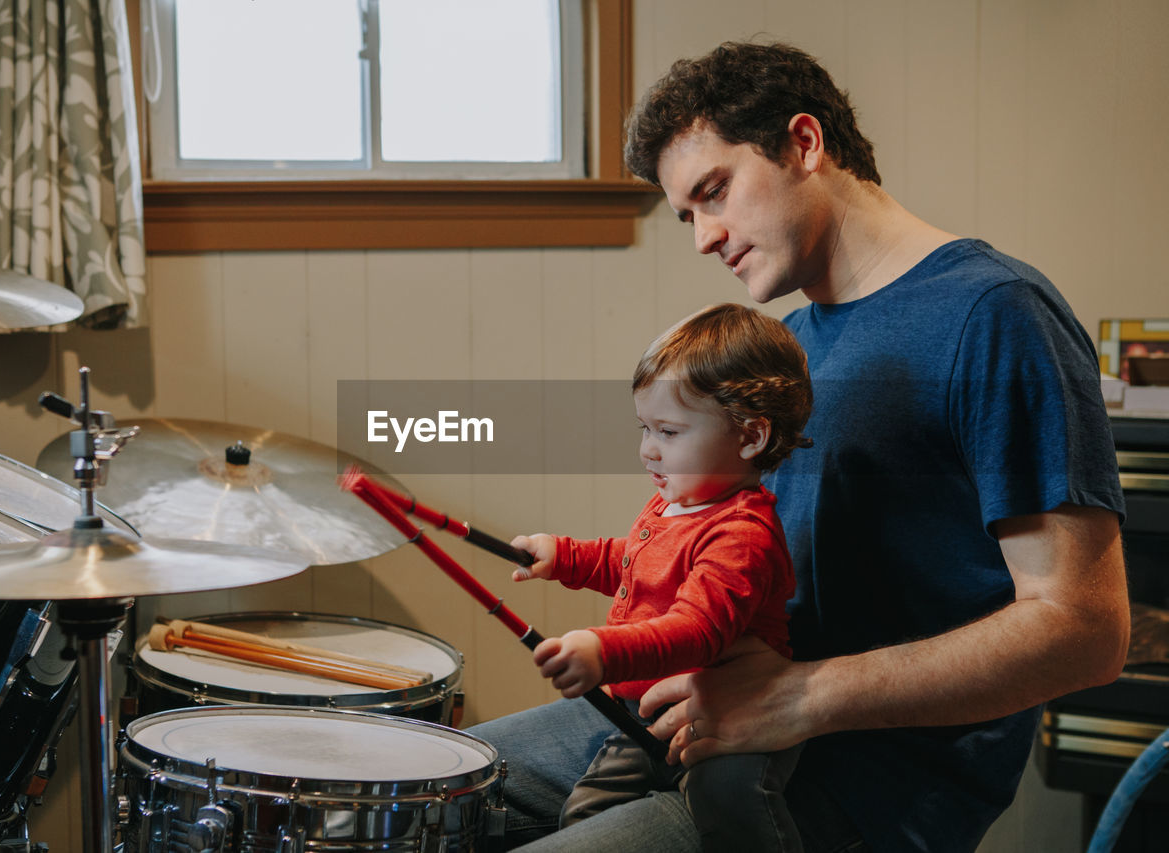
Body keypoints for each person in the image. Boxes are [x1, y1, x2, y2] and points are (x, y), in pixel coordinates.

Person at [470, 40, 1129, 853]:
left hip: (854, 785)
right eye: (686, 216)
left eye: (714, 193)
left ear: (804, 144)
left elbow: (1088, 629)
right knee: (427, 781)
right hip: (710, 710)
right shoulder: (788, 345)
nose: (705, 237)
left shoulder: (995, 315)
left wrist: (801, 696)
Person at [510, 302, 812, 852]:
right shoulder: (678, 502)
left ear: (750, 437)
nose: (648, 449)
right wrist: (565, 557)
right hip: (649, 711)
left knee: (733, 815)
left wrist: (603, 650)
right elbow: (636, 564)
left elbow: (696, 630)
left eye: (668, 431)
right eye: (644, 427)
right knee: (587, 812)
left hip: (728, 719)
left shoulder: (743, 532)